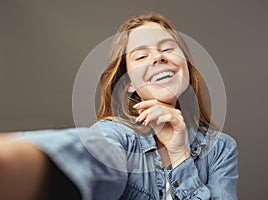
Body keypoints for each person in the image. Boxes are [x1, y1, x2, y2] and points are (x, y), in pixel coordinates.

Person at [0, 11, 238, 200]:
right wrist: (19, 160)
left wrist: (179, 154)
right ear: (128, 84)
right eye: (141, 56)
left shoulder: (221, 149)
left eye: (167, 48)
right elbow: (92, 155)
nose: (158, 57)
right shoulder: (113, 135)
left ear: (184, 66)